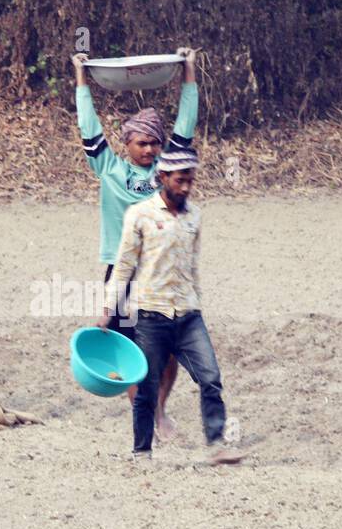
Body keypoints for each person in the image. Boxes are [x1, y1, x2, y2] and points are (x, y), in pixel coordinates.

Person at [72, 47, 199, 443]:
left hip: (165, 269)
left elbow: (186, 124)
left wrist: (189, 72)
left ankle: (159, 409)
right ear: (126, 143)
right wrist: (80, 77)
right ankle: (146, 415)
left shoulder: (167, 172)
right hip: (122, 270)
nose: (148, 149)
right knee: (133, 348)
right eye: (141, 143)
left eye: (153, 143)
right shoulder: (108, 167)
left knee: (173, 346)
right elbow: (88, 126)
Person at [100, 148, 242, 465]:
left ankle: (216, 444)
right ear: (163, 178)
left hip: (188, 315)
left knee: (210, 377)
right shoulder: (139, 215)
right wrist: (109, 310)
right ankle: (141, 451)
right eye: (180, 181)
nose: (187, 187)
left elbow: (192, 266)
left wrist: (197, 302)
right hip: (151, 314)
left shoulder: (195, 216)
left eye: (191, 181)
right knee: (147, 385)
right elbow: (124, 266)